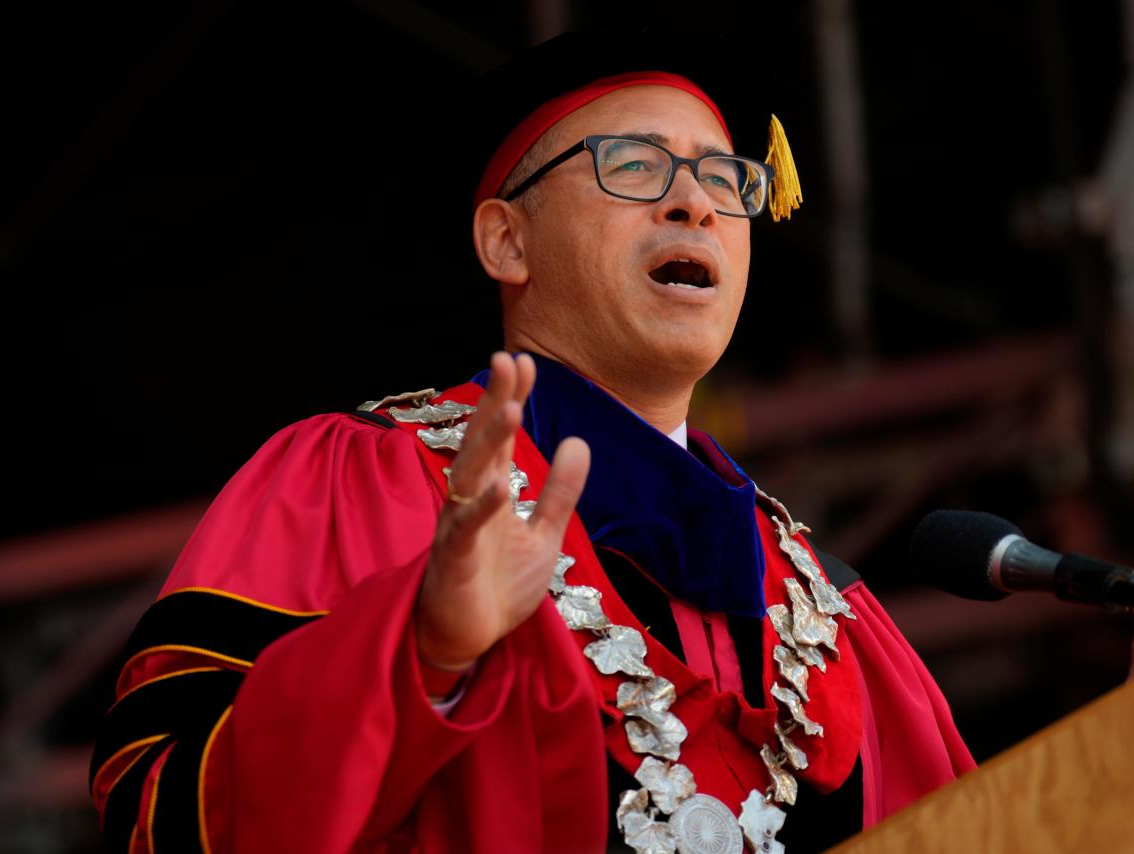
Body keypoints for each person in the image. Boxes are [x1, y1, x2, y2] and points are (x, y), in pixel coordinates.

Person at [89, 32, 974, 854]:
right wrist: (412, 653)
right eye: (634, 164)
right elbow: (158, 821)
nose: (694, 203)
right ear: (506, 240)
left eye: (724, 179)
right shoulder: (362, 485)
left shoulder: (833, 615)